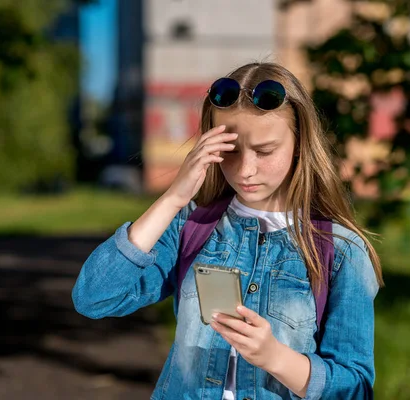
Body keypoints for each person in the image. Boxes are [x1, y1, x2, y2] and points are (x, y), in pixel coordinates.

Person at [72, 62, 384, 400]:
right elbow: (94, 297)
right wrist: (175, 197)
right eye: (230, 151)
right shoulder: (192, 226)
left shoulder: (340, 251)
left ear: (300, 143)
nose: (246, 170)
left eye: (265, 151)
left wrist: (276, 358)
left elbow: (354, 388)